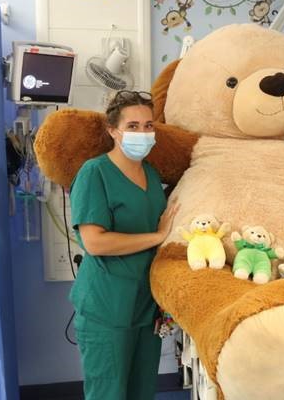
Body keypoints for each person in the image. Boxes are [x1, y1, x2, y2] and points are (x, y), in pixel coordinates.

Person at [69, 90, 178, 400]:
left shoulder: (151, 174)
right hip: (107, 307)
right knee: (109, 393)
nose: (143, 133)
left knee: (142, 391)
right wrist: (156, 238)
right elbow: (95, 242)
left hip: (146, 306)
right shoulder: (95, 173)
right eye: (132, 126)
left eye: (148, 126)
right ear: (113, 130)